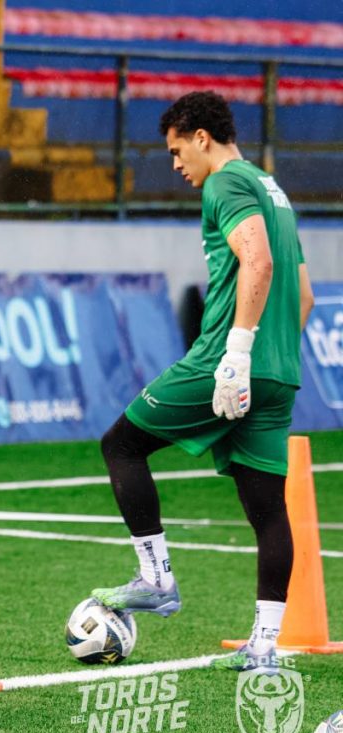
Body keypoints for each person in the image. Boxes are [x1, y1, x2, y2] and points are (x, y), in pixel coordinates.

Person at [91, 91, 315, 673]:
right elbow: (305, 295)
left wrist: (237, 354)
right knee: (268, 509)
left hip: (224, 359)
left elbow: (258, 262)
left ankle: (156, 578)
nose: (174, 164)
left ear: (200, 137)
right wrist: (270, 360)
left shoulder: (225, 183)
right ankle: (264, 646)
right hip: (281, 374)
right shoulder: (275, 191)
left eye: (175, 150)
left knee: (121, 443)